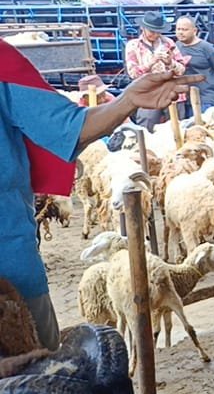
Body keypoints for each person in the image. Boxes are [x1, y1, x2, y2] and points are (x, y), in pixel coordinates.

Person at [1, 37, 200, 350]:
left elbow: (68, 127)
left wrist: (128, 100)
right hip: (12, 259)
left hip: (11, 265)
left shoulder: (3, 64)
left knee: (36, 366)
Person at [124, 11, 188, 131]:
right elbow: (133, 73)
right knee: (146, 127)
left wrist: (170, 62)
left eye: (158, 31)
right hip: (148, 94)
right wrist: (151, 62)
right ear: (143, 28)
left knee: (177, 128)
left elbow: (181, 70)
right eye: (152, 31)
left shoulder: (169, 43)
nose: (155, 35)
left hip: (172, 92)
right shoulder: (133, 45)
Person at [173, 15, 214, 116]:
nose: (180, 32)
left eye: (185, 29)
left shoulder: (206, 48)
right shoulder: (176, 46)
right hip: (185, 99)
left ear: (194, 31)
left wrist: (209, 81)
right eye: (178, 29)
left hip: (205, 99)